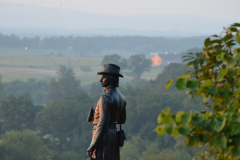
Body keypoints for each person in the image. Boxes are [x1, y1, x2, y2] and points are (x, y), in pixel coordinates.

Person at [87, 64, 126, 160]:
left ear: (111, 79)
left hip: (104, 136)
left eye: (103, 78)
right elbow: (122, 120)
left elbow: (103, 123)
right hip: (114, 135)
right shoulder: (121, 97)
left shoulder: (105, 98)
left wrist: (93, 144)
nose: (101, 80)